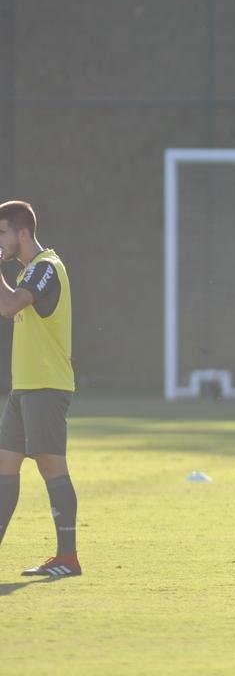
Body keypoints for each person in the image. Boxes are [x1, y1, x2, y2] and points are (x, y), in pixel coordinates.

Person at [0, 200, 80, 578]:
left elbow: (9, 306)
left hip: (47, 386)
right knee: (5, 466)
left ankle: (68, 557)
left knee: (51, 468)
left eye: (1, 233)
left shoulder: (47, 266)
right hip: (24, 388)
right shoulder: (27, 272)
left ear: (23, 232)